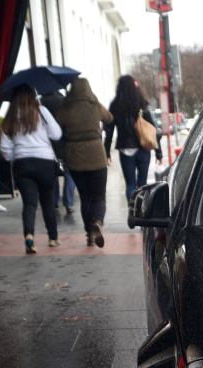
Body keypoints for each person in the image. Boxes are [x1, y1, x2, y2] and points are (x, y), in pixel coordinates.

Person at [0, 85, 62, 255]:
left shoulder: (11, 116)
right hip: (45, 163)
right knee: (48, 202)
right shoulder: (41, 111)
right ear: (33, 95)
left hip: (23, 164)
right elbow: (57, 134)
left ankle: (29, 236)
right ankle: (53, 238)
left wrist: (16, 155)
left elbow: (4, 148)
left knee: (29, 204)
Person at [57, 77, 114, 248]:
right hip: (97, 155)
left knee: (85, 197)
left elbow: (56, 125)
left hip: (74, 157)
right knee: (99, 196)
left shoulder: (65, 108)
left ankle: (89, 234)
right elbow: (110, 118)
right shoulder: (94, 105)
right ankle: (98, 221)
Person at [105, 75, 162, 223]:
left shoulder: (115, 105)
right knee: (142, 184)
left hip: (125, 149)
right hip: (143, 148)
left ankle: (132, 213)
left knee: (130, 184)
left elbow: (109, 131)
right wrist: (158, 152)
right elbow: (153, 130)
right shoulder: (141, 103)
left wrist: (106, 152)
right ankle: (140, 216)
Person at [41, 88, 77, 220]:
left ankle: (54, 201)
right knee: (70, 173)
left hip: (49, 144)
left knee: (52, 175)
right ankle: (69, 203)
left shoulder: (41, 103)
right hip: (66, 142)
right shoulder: (64, 101)